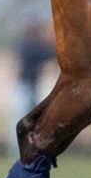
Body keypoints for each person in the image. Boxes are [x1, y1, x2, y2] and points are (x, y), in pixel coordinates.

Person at [8, 19, 56, 155]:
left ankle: (28, 150)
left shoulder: (27, 44)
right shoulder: (27, 46)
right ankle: (17, 151)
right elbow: (49, 52)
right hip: (24, 86)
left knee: (33, 122)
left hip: (33, 85)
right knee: (21, 119)